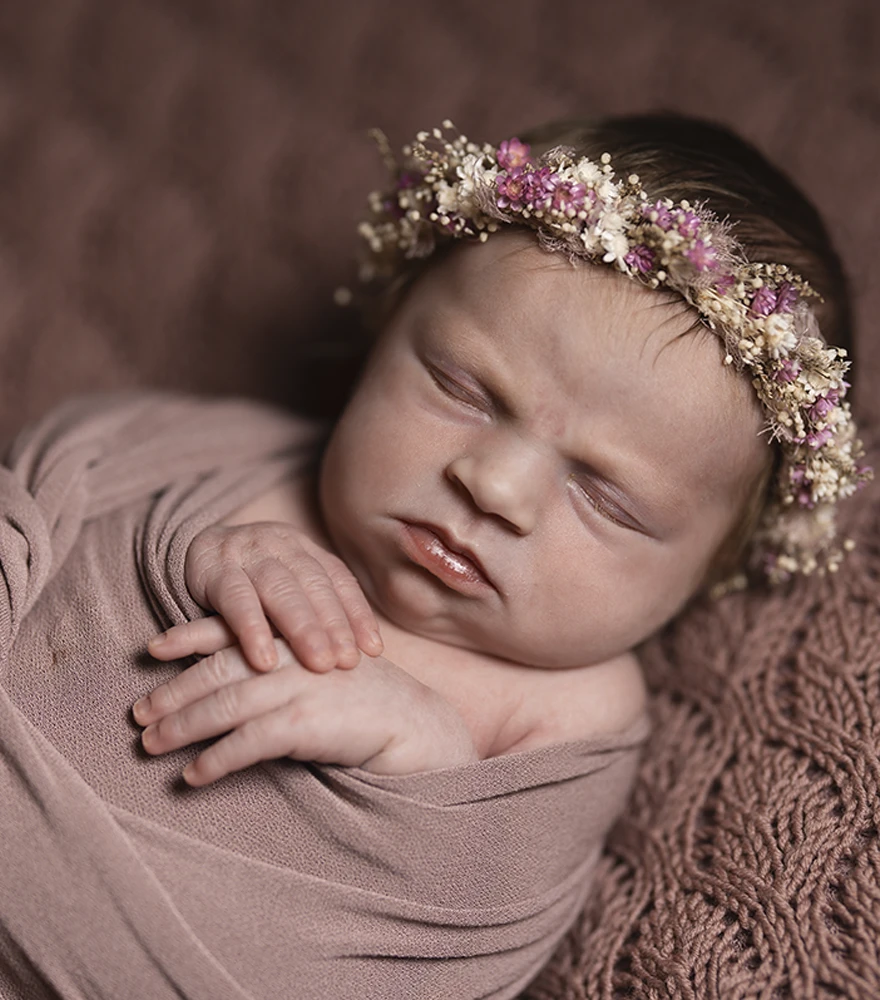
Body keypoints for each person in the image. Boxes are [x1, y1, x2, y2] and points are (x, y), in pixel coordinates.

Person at [130, 114, 870, 787]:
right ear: (384, 333)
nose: (495, 488)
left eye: (607, 498)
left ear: (708, 573)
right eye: (463, 390)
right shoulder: (252, 458)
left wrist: (430, 751)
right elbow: (56, 478)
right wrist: (185, 547)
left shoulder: (574, 708)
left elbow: (490, 920)